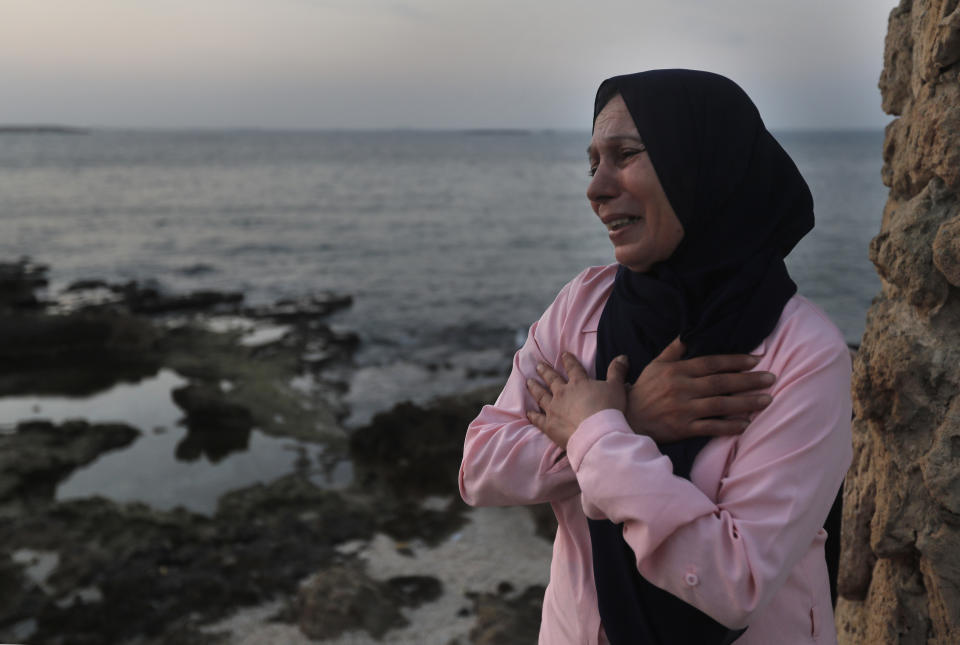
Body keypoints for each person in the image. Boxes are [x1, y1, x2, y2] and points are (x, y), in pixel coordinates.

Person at [458, 69, 852, 645]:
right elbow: (480, 466)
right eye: (593, 163)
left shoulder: (804, 354)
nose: (596, 188)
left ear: (704, 163)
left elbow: (735, 582)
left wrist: (597, 433)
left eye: (625, 154)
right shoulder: (582, 306)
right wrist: (630, 417)